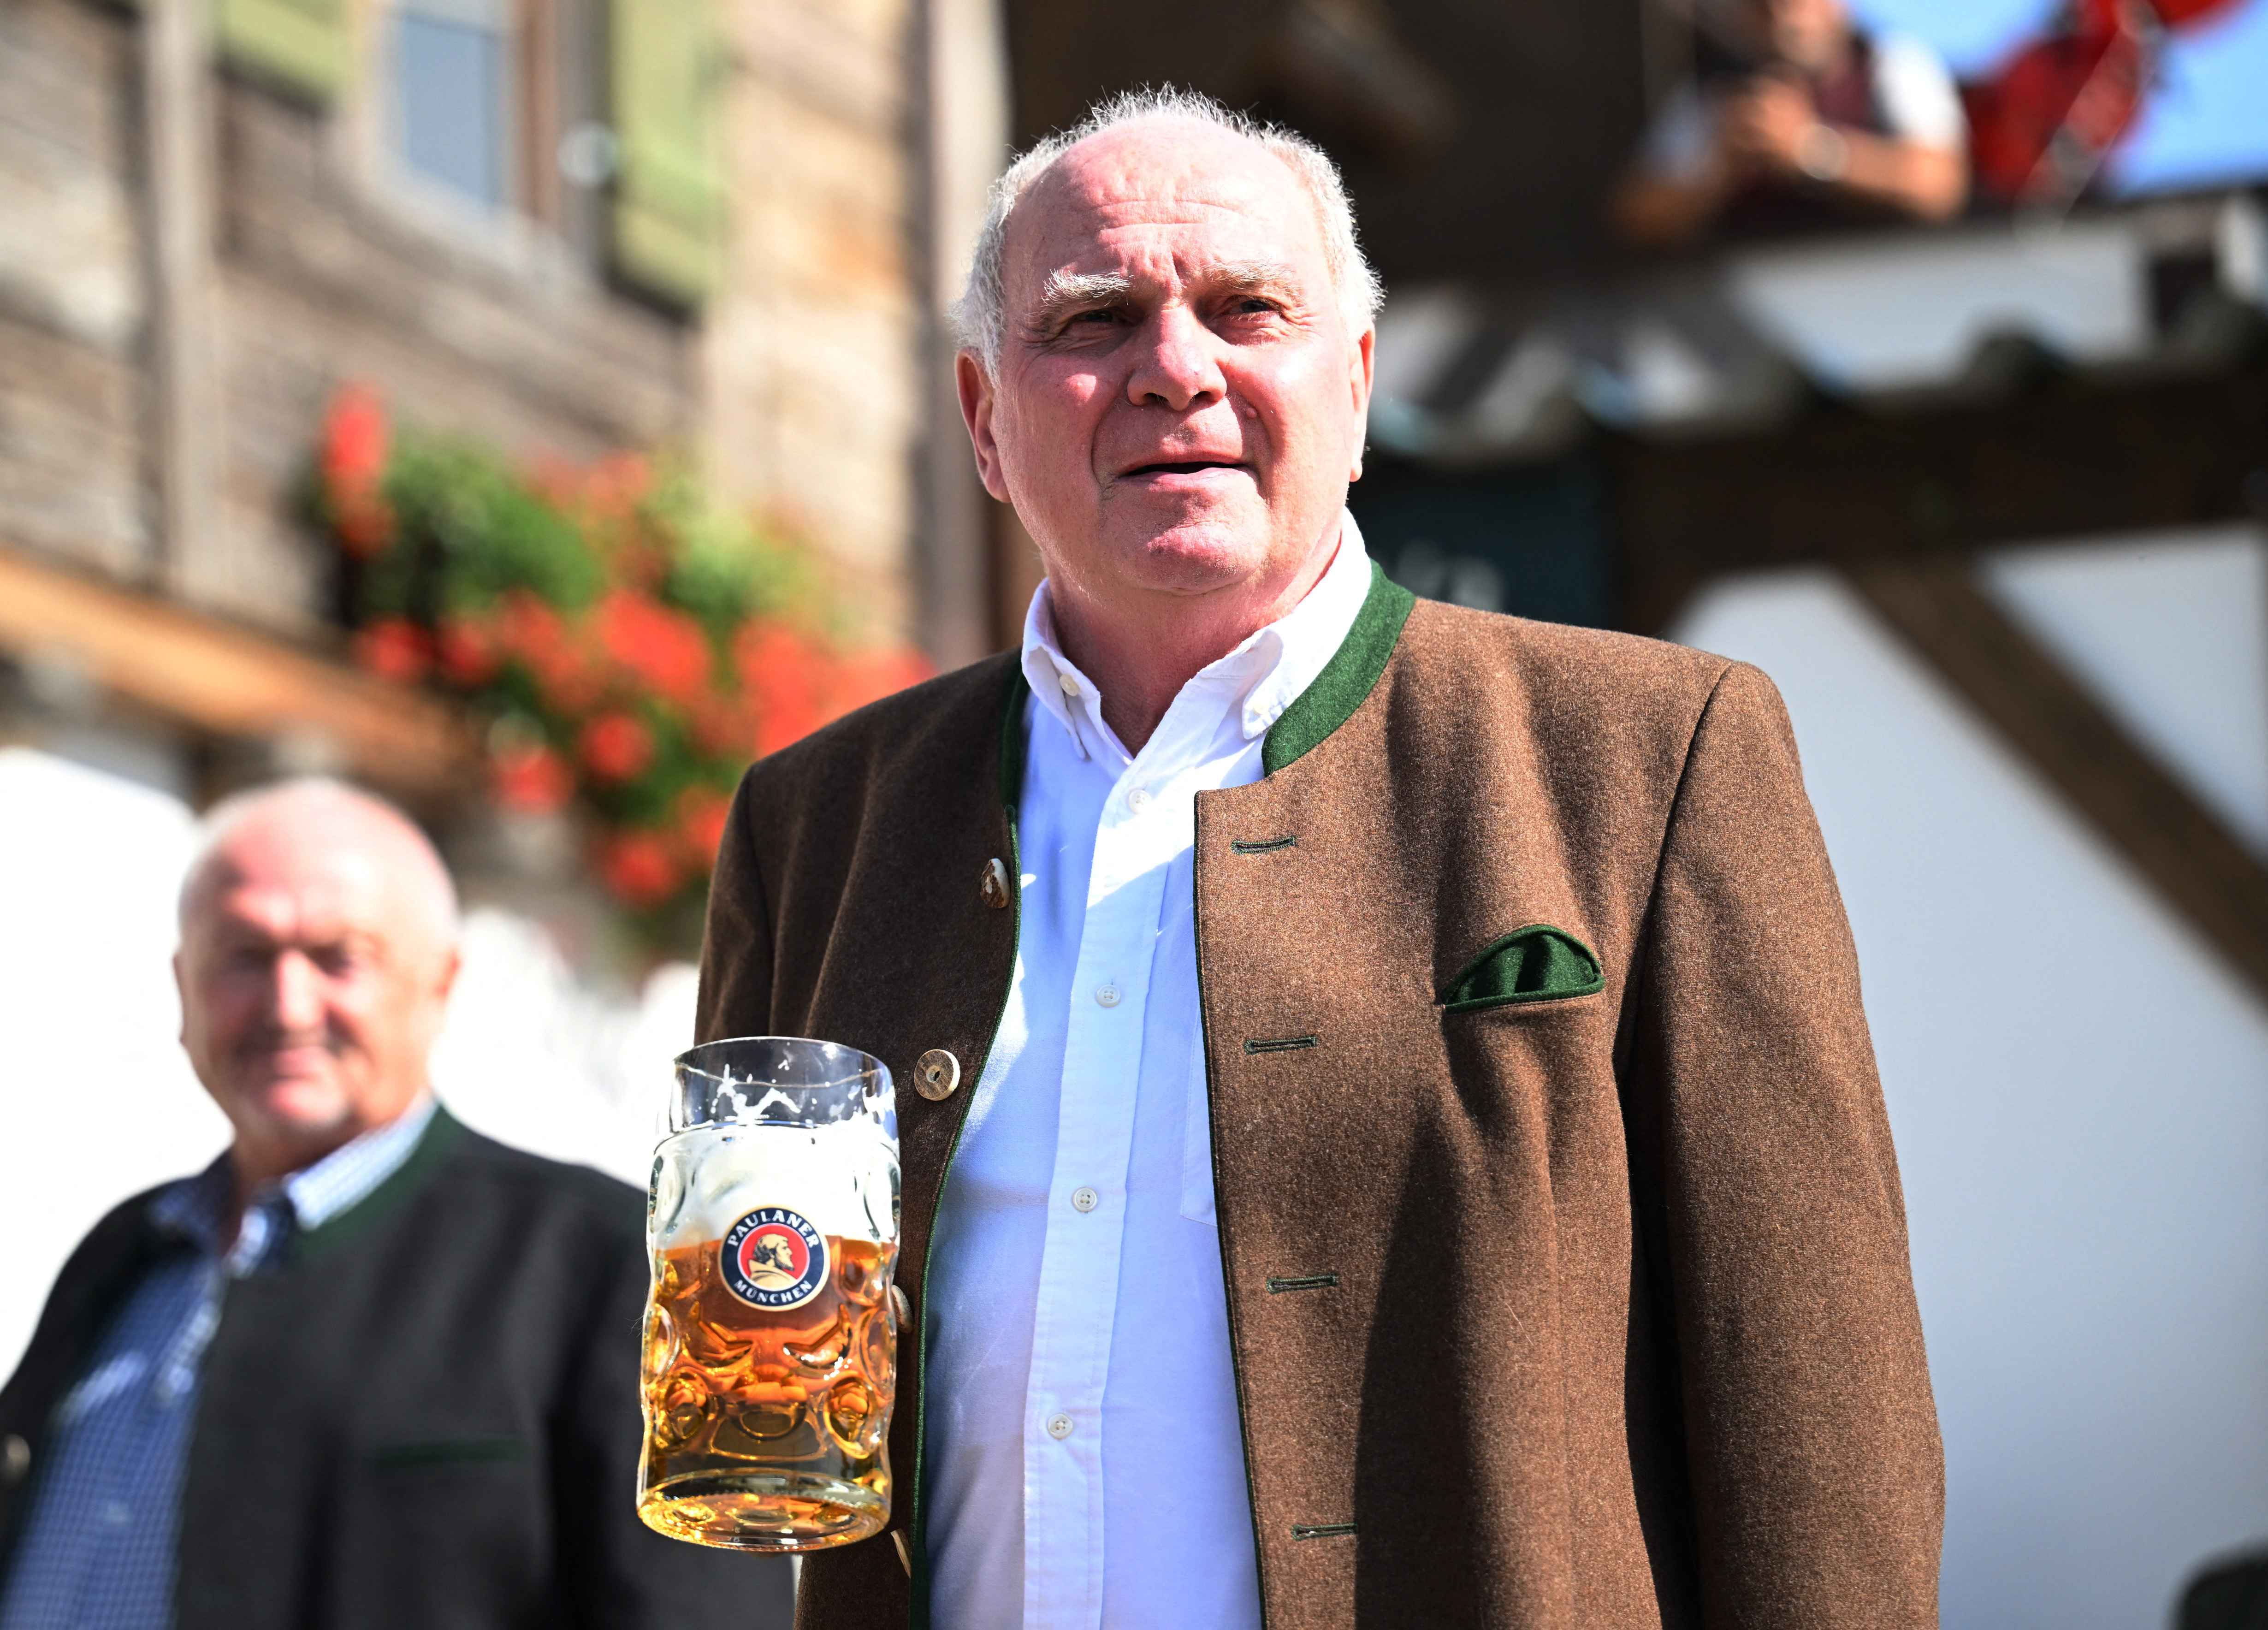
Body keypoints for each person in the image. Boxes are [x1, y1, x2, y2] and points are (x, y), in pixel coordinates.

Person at [698, 89, 1943, 1628]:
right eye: (1091, 319)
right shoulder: (815, 823)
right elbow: (750, 1420)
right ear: (980, 421)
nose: (1171, 368)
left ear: (1349, 387)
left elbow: (1814, 1427)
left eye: (1244, 309)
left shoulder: (1646, 755)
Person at [0, 779, 787, 1630]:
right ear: (182, 986)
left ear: (440, 985)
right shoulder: (126, 1253)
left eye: (340, 959)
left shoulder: (604, 1266)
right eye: (242, 956)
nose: (287, 1006)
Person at [1612, 0, 1969, 245]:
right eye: (1764, 3)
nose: (1784, 16)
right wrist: (1722, 166)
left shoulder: (1891, 63)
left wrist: (1813, 151)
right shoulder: (1716, 94)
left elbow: (1939, 184)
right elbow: (1637, 218)